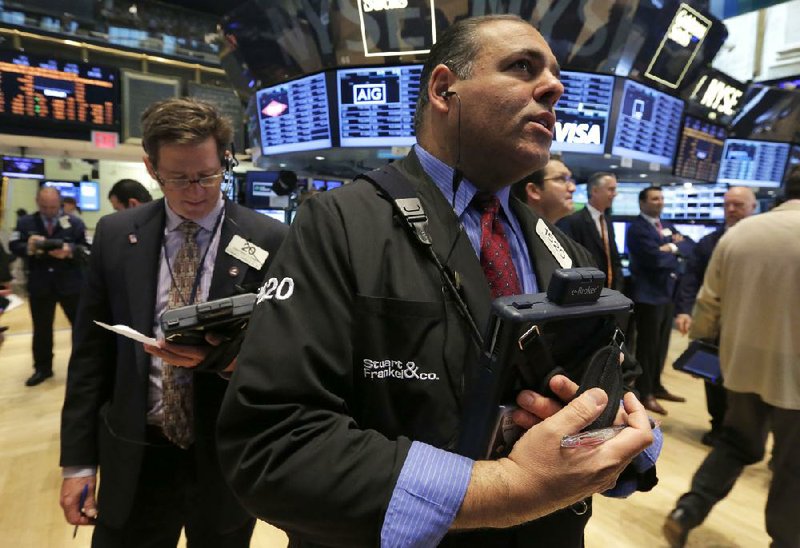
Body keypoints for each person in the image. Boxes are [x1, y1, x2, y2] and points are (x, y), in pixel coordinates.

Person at [217, 15, 658, 548]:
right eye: (523, 66)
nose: (554, 88)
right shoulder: (339, 223)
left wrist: (621, 437)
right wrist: (511, 488)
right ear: (445, 88)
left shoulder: (557, 242)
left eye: (555, 77)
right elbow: (276, 446)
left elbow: (619, 375)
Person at [59, 98, 288, 547]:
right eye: (178, 178)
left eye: (207, 174)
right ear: (151, 167)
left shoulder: (269, 239)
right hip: (136, 455)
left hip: (224, 459)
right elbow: (90, 358)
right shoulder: (114, 235)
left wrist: (228, 361)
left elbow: (288, 351)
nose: (196, 190)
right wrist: (78, 464)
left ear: (225, 159)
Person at [663, 168, 800, 548]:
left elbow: (708, 303)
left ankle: (687, 509)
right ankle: (786, 540)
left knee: (737, 442)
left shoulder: (740, 234)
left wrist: (705, 349)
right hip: (796, 374)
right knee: (793, 465)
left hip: (743, 364)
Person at [673, 186, 756, 446]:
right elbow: (691, 278)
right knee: (712, 375)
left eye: (738, 205)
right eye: (728, 204)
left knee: (744, 380)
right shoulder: (709, 242)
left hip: (752, 324)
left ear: (752, 207)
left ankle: (741, 429)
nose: (731, 210)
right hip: (715, 323)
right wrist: (685, 310)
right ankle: (718, 425)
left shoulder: (763, 243)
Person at [9, 187, 88, 386]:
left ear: (59, 203)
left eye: (53, 207)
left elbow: (87, 248)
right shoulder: (26, 222)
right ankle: (42, 369)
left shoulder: (74, 222)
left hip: (70, 284)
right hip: (40, 284)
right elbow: (13, 246)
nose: (49, 211)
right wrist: (30, 246)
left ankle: (84, 369)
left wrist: (69, 250)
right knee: (41, 329)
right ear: (37, 202)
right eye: (44, 207)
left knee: (80, 329)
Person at [625, 186, 686, 415]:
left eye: (661, 198)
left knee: (661, 346)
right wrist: (674, 253)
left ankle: (657, 386)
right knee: (647, 347)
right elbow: (655, 260)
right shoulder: (637, 228)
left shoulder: (667, 225)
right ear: (642, 203)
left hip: (667, 294)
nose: (659, 202)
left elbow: (688, 245)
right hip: (647, 296)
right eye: (654, 198)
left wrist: (670, 247)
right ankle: (644, 392)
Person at [557, 172, 622, 290]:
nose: (615, 194)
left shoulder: (607, 221)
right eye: (611, 189)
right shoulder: (573, 221)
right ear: (594, 191)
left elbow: (614, 259)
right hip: (587, 290)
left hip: (611, 291)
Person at [510, 156, 576, 224]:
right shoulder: (513, 232)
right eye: (561, 179)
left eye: (570, 179)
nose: (573, 188)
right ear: (534, 191)